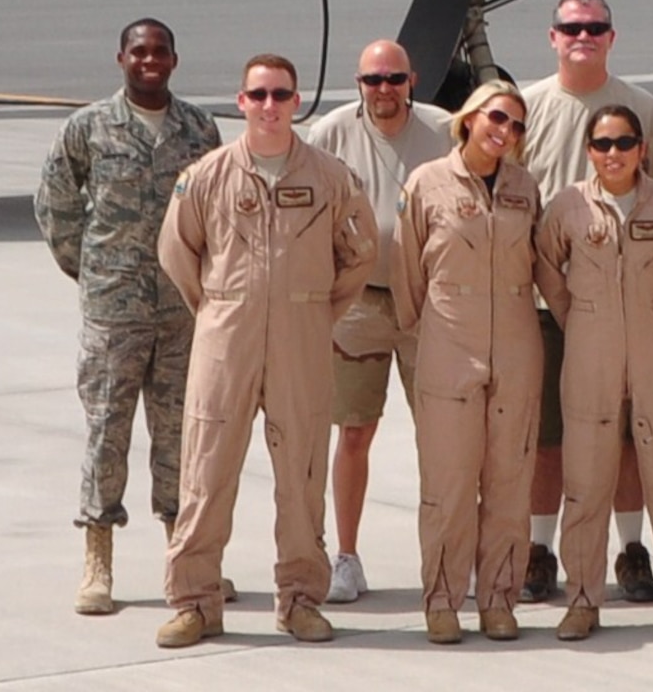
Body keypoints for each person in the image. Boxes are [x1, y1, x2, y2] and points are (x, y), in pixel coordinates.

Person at [154, 55, 377, 648]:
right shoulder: (207, 176)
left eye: (281, 94)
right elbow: (177, 250)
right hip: (226, 336)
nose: (270, 105)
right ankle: (195, 602)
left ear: (297, 102)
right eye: (259, 94)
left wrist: (314, 310)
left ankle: (302, 598)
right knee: (206, 470)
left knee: (302, 473)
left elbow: (360, 253)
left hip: (302, 338)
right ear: (242, 101)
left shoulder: (329, 176)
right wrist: (219, 309)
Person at [35, 18, 221, 616]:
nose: (150, 60)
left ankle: (183, 556)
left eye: (159, 51)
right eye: (139, 52)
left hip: (178, 310)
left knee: (181, 437)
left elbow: (215, 210)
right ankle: (98, 559)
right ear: (121, 58)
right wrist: (90, 271)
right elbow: (56, 205)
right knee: (106, 433)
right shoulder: (88, 128)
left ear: (175, 59)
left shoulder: (198, 128)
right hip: (113, 313)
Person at [520, 0, 653, 603]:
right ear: (552, 36)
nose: (582, 35)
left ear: (612, 36)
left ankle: (632, 548)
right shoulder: (528, 109)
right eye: (570, 26)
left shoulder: (644, 110)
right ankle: (540, 548)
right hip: (546, 305)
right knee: (550, 436)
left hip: (624, 307)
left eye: (594, 26)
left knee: (628, 435)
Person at [534, 105, 653, 641]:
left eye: (625, 142)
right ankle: (583, 600)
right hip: (589, 347)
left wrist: (651, 305)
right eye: (604, 144)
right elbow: (546, 269)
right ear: (589, 150)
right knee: (585, 483)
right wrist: (583, 317)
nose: (615, 154)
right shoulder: (567, 207)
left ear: (642, 149)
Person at [393, 81, 544, 643]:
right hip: (449, 338)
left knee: (509, 480)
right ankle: (442, 599)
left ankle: (500, 598)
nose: (505, 131)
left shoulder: (525, 186)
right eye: (497, 118)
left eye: (517, 125)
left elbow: (540, 258)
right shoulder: (427, 183)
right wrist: (432, 330)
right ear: (471, 119)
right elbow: (408, 271)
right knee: (449, 483)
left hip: (515, 338)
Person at [306, 39, 453, 604]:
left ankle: (446, 555)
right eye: (373, 80)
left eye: (394, 78)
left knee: (442, 438)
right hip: (359, 304)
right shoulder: (332, 133)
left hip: (428, 303)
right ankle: (346, 556)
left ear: (413, 79)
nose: (384, 90)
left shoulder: (443, 130)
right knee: (354, 431)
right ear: (358, 82)